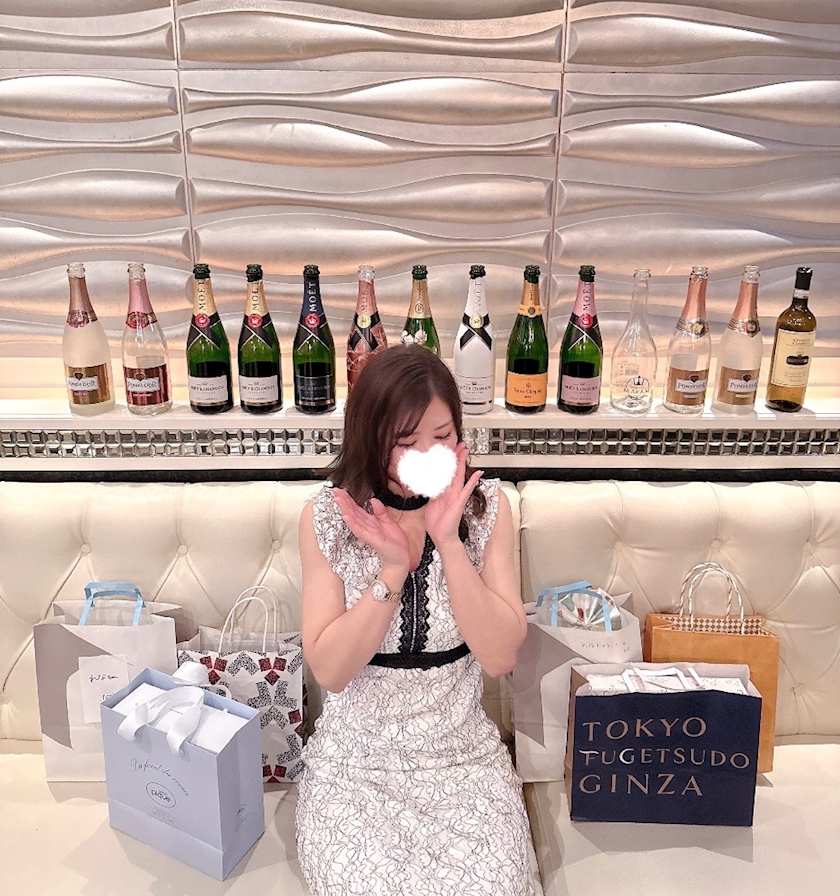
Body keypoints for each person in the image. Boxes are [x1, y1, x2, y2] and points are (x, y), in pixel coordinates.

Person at [295, 344, 534, 896]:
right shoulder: (328, 517)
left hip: (462, 759)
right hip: (355, 764)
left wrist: (448, 541)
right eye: (405, 442)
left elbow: (500, 656)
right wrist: (392, 570)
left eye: (442, 436)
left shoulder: (488, 508)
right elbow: (331, 670)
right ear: (369, 437)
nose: (427, 454)